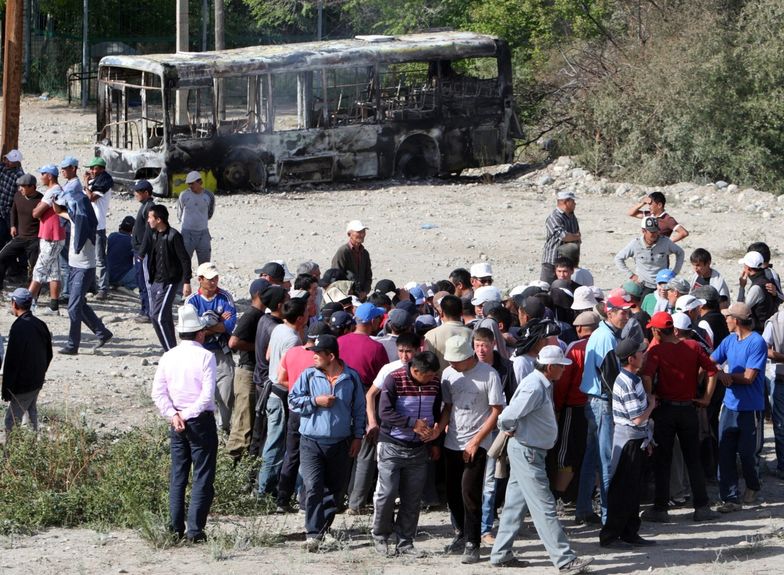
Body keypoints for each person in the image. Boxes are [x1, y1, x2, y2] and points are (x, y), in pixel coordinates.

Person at [490, 345, 593, 574]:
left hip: (528, 451)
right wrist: (511, 429)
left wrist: (514, 430)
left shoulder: (538, 383)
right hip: (528, 452)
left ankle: (500, 553)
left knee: (515, 506)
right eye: (561, 367)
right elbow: (506, 417)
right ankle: (565, 560)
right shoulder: (536, 387)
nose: (564, 371)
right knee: (545, 507)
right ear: (550, 367)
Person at [639, 311, 719, 522]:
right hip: (688, 409)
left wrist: (650, 397)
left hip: (665, 409)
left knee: (663, 459)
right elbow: (712, 371)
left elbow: (646, 375)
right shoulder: (693, 346)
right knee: (693, 458)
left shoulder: (656, 351)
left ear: (657, 331)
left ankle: (660, 508)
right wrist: (706, 398)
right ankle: (702, 506)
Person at [288, 334, 366, 550]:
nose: (313, 357)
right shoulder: (308, 376)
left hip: (341, 442)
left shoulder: (351, 378)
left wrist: (358, 436)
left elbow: (359, 409)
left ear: (330, 356)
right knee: (313, 486)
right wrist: (315, 401)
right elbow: (293, 401)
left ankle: (323, 529)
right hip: (311, 440)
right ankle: (313, 532)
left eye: (317, 354)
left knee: (334, 489)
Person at [434, 334, 505, 564]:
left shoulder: (488, 374)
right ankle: (461, 534)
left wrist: (476, 441)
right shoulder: (448, 374)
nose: (452, 365)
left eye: (456, 361)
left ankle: (473, 542)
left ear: (468, 356)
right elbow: (448, 407)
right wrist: (438, 431)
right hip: (452, 441)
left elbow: (496, 410)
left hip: (478, 442)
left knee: (469, 491)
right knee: (453, 492)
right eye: (450, 361)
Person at [151, 304, 218, 543]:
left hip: (177, 419)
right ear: (200, 333)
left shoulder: (168, 356)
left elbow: (158, 393)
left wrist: (174, 415)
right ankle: (195, 530)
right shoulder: (206, 356)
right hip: (199, 420)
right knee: (202, 475)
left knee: (178, 475)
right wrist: (186, 415)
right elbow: (207, 396)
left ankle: (175, 528)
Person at [372, 351, 442, 556]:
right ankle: (381, 536)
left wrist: (434, 438)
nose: (431, 380)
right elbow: (384, 412)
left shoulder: (435, 383)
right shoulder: (393, 379)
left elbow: (437, 412)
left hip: (419, 450)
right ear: (415, 370)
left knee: (412, 498)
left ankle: (405, 542)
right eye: (427, 376)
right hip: (391, 446)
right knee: (387, 494)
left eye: (433, 375)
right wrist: (412, 424)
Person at [576, 295, 632, 524]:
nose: (626, 316)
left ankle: (584, 509)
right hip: (602, 403)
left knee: (592, 458)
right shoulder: (607, 338)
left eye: (627, 312)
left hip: (594, 401)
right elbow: (611, 378)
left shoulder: (602, 335)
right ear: (609, 313)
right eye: (622, 312)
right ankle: (610, 518)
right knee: (606, 461)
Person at [710, 302, 767, 512]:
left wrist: (726, 376)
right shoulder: (729, 340)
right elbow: (712, 360)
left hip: (750, 407)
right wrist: (718, 371)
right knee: (725, 451)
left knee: (746, 453)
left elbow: (749, 377)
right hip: (730, 405)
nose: (725, 321)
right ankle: (730, 497)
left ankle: (753, 485)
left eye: (728, 318)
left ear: (736, 320)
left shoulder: (756, 342)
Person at [599, 337, 656, 547]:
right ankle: (611, 535)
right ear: (631, 358)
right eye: (641, 353)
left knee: (633, 490)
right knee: (622, 490)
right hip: (628, 443)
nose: (644, 355)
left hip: (636, 440)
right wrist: (652, 405)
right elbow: (638, 418)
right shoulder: (626, 382)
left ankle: (630, 532)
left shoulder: (633, 379)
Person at [53, 162, 113, 356]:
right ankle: (102, 332)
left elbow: (76, 219)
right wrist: (57, 204)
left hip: (84, 268)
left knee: (73, 308)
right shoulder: (78, 217)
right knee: (79, 304)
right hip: (74, 266)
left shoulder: (86, 225)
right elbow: (63, 212)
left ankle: (72, 345)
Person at [339, 302, 389, 514]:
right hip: (367, 396)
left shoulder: (339, 342)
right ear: (372, 322)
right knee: (366, 451)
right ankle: (356, 503)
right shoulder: (376, 347)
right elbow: (382, 379)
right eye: (378, 318)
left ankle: (336, 499)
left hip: (340, 396)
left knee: (341, 450)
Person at [257, 297, 308, 496]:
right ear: (300, 318)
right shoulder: (293, 339)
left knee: (274, 441)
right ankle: (264, 490)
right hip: (280, 392)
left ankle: (266, 486)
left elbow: (269, 355)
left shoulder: (279, 329)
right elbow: (283, 373)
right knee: (275, 443)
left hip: (271, 391)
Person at [185, 262, 237, 433]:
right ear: (200, 280)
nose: (214, 282)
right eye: (209, 279)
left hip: (221, 352)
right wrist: (218, 322)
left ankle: (224, 428)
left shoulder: (225, 297)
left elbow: (229, 326)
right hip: (199, 354)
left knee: (226, 393)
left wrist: (205, 327)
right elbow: (191, 331)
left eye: (215, 278)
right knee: (201, 395)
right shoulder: (191, 301)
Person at [226, 278, 269, 460]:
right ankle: (233, 461)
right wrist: (258, 347)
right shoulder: (251, 315)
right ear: (259, 295)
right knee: (243, 420)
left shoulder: (259, 315)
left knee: (250, 418)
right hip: (247, 372)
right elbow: (233, 342)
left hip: (252, 372)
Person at [142, 204, 192, 352]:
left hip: (169, 283)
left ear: (158, 219)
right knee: (164, 317)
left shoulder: (174, 236)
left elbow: (185, 259)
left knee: (157, 316)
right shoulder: (153, 234)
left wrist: (186, 282)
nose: (148, 221)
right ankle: (172, 349)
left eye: (150, 218)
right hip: (155, 282)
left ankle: (169, 351)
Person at [2, 288, 52, 432]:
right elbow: (49, 353)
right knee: (31, 415)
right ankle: (33, 449)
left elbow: (12, 362)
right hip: (36, 380)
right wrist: (40, 373)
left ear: (14, 304)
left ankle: (10, 454)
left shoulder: (18, 328)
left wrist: (6, 390)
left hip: (23, 385)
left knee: (11, 421)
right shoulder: (40, 324)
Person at [614, 216, 684, 297]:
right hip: (643, 284)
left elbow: (680, 252)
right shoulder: (635, 244)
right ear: (643, 231)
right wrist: (631, 275)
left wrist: (674, 272)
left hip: (662, 284)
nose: (655, 234)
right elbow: (618, 258)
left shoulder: (665, 242)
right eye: (652, 231)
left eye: (656, 231)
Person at [29, 165, 65, 315]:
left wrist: (37, 208)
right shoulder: (53, 190)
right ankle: (54, 306)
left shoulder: (53, 191)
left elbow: (36, 213)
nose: (41, 177)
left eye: (43, 174)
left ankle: (27, 302)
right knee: (53, 272)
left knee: (39, 269)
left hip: (52, 236)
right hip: (52, 235)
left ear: (50, 176)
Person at [0, 174, 41, 290]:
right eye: (19, 186)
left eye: (23, 186)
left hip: (34, 239)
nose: (20, 189)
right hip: (20, 237)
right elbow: (13, 211)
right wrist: (13, 226)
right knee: (2, 257)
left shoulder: (41, 200)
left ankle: (31, 294)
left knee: (34, 268)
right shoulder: (18, 196)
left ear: (32, 187)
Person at [82, 157, 113, 300]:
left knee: (100, 259)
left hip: (98, 226)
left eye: (95, 168)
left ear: (102, 169)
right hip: (89, 224)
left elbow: (91, 197)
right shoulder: (95, 181)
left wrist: (85, 184)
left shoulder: (105, 181)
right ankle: (92, 286)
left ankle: (103, 289)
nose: (93, 171)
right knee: (89, 257)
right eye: (92, 168)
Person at [541, 189, 581, 284]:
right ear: (566, 202)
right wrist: (575, 236)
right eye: (573, 201)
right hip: (552, 261)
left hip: (567, 262)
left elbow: (576, 236)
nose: (575, 204)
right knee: (546, 287)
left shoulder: (572, 217)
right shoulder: (554, 217)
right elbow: (564, 236)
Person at [177, 171, 215, 265]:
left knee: (205, 264)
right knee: (184, 262)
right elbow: (179, 212)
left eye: (192, 183)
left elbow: (210, 213)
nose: (190, 186)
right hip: (187, 233)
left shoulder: (209, 195)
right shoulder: (184, 195)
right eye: (189, 184)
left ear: (200, 182)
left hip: (203, 233)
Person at [736, 251, 779, 333]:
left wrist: (742, 287)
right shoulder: (765, 280)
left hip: (759, 331)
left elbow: (740, 310)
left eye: (744, 266)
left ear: (748, 269)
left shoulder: (756, 288)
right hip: (767, 329)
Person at [764, 308, 784, 479]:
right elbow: (765, 348)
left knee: (780, 424)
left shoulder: (775, 321)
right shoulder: (774, 321)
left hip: (779, 377)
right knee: (780, 424)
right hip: (779, 377)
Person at [131, 180, 155, 323]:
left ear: (146, 193)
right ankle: (144, 309)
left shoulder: (149, 207)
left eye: (138, 192)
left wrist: (142, 251)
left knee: (146, 282)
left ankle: (148, 312)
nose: (135, 194)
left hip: (143, 252)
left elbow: (148, 233)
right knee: (141, 281)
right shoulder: (145, 206)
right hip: (139, 250)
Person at [331, 219, 372, 298]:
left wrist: (365, 292)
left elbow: (368, 275)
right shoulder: (343, 251)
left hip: (361, 297)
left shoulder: (365, 253)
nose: (362, 234)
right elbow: (335, 275)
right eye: (358, 232)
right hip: (346, 296)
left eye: (363, 232)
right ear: (349, 234)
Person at [0, 149, 24, 246]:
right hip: (1, 210)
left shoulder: (19, 175)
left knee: (11, 237)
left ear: (17, 163)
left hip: (9, 211)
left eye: (10, 161)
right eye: (7, 160)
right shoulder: (3, 168)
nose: (7, 162)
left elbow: (20, 195)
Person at [106, 216, 136, 290]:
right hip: (120, 277)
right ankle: (128, 286)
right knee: (140, 267)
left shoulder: (112, 236)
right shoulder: (131, 242)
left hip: (108, 275)